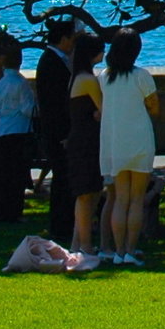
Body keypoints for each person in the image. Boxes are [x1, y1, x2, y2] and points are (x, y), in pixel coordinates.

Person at [99, 29, 161, 266]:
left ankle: (118, 251)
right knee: (136, 199)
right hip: (139, 140)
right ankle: (130, 250)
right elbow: (154, 107)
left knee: (120, 199)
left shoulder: (104, 76)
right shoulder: (141, 76)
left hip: (115, 143)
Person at [0, 34, 37, 223]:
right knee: (18, 174)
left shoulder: (1, 84)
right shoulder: (21, 83)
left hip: (3, 130)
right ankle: (15, 211)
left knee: (5, 173)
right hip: (19, 130)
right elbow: (27, 109)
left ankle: (4, 211)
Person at [35, 16, 79, 240]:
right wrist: (65, 133)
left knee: (63, 179)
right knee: (63, 179)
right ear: (64, 39)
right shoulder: (53, 63)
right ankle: (61, 225)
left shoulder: (53, 60)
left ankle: (63, 224)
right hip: (57, 132)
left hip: (55, 130)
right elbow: (56, 104)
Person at [66, 33, 108, 262]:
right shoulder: (88, 80)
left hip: (83, 139)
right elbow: (105, 109)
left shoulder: (77, 77)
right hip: (86, 141)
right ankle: (85, 245)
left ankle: (78, 242)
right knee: (86, 193)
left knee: (90, 191)